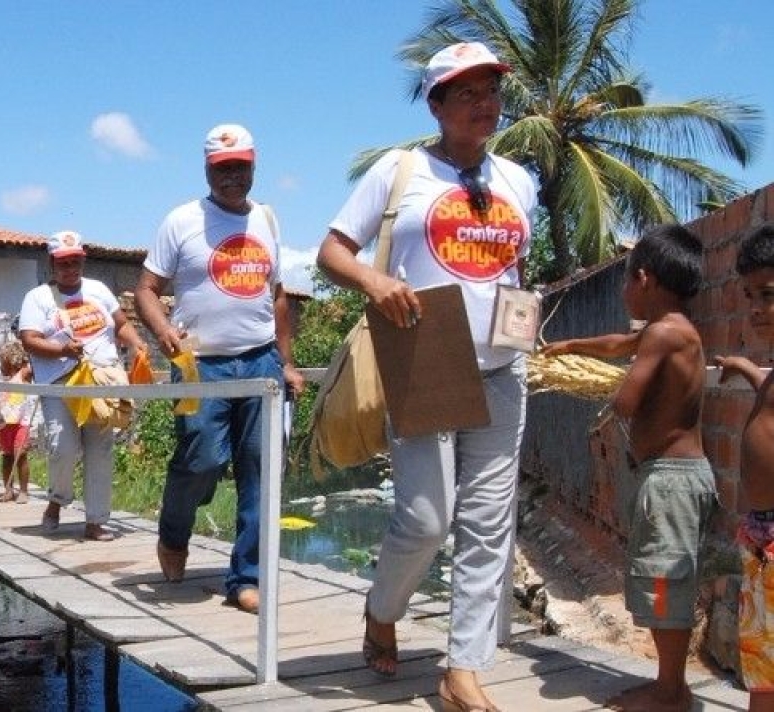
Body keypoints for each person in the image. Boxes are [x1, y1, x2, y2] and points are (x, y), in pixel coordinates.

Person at [315, 42, 537, 710]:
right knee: (426, 519)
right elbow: (332, 252)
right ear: (436, 103)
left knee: (489, 522)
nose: (483, 103)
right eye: (465, 92)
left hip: (503, 366)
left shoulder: (519, 182)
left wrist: (527, 329)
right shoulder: (401, 170)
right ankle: (383, 609)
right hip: (424, 358)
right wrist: (375, 281)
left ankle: (463, 669)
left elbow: (512, 275)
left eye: (491, 90)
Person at [543, 224, 716, 712]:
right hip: (671, 479)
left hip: (671, 482)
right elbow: (621, 344)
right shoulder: (674, 329)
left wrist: (596, 395)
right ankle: (669, 685)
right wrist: (571, 347)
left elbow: (628, 398)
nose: (622, 293)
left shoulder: (663, 333)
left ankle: (669, 691)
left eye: (624, 282)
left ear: (644, 279)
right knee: (662, 577)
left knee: (664, 581)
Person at [134, 123, 305, 615]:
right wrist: (163, 330)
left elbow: (276, 298)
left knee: (261, 471)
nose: (233, 177)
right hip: (199, 365)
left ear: (254, 166)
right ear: (207, 169)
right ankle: (173, 532)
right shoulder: (182, 220)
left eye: (241, 167)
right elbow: (146, 288)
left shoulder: (266, 222)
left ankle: (245, 578)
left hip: (260, 361)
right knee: (202, 458)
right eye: (223, 168)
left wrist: (287, 362)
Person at [18, 230, 148, 542]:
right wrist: (62, 350)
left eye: (76, 261)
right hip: (60, 382)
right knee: (62, 446)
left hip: (101, 379)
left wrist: (137, 345)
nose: (70, 268)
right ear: (52, 263)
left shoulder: (99, 290)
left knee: (100, 449)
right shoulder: (37, 298)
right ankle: (57, 500)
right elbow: (29, 340)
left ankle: (96, 521)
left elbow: (121, 324)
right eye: (63, 263)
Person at [714, 223, 774, 712]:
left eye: (769, 295)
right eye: (751, 295)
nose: (756, 309)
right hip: (760, 538)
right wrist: (749, 371)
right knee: (761, 664)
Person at [0, 340, 37, 504]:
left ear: (11, 362)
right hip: (4, 424)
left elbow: (32, 368)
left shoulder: (22, 375)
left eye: (2, 363)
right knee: (7, 457)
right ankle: (8, 489)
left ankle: (24, 491)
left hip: (20, 424)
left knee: (21, 455)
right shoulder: (5, 381)